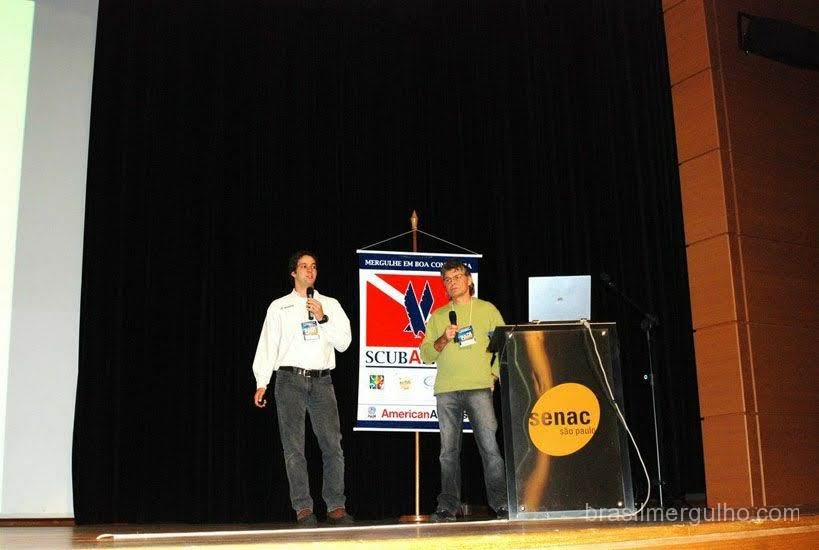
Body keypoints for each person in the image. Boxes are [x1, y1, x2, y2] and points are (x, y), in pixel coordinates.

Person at [252, 251, 354, 526]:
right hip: (289, 381)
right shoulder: (279, 306)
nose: (310, 271)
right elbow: (268, 344)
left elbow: (344, 343)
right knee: (294, 447)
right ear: (293, 273)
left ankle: (336, 506)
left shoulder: (330, 304)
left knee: (332, 445)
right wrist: (262, 381)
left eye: (314, 266)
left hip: (322, 381)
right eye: (304, 266)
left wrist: (323, 318)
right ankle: (303, 508)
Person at [420, 259, 508, 521]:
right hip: (447, 390)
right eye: (447, 279)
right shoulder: (438, 316)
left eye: (457, 277)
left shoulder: (487, 310)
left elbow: (503, 345)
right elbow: (426, 354)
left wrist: (494, 374)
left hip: (479, 387)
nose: (452, 282)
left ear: (469, 280)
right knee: (448, 453)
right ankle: (448, 506)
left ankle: (502, 503)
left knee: (490, 449)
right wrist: (444, 338)